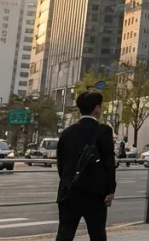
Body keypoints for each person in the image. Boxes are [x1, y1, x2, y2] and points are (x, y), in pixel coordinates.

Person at [55, 90, 117, 241]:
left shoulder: (67, 132)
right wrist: (110, 190)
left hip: (69, 190)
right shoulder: (103, 131)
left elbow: (61, 164)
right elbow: (109, 161)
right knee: (97, 234)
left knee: (65, 234)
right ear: (96, 108)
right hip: (95, 193)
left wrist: (68, 181)